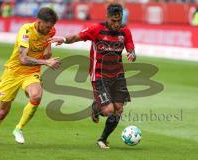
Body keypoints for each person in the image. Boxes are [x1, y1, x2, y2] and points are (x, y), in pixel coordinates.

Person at [49, 3, 136, 149]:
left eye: (118, 20)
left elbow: (130, 45)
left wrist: (132, 53)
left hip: (118, 75)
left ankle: (102, 139)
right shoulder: (96, 29)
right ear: (107, 17)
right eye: (113, 21)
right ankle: (96, 107)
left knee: (119, 109)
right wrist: (63, 39)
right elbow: (77, 36)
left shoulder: (125, 30)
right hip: (99, 75)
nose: (116, 24)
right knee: (108, 110)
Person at [0, 7, 60, 145]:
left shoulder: (51, 31)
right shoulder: (26, 31)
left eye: (51, 26)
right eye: (47, 26)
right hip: (13, 72)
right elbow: (23, 59)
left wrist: (49, 48)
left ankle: (18, 129)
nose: (49, 29)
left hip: (31, 72)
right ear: (39, 21)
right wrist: (46, 62)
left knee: (36, 95)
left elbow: (47, 52)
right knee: (3, 111)